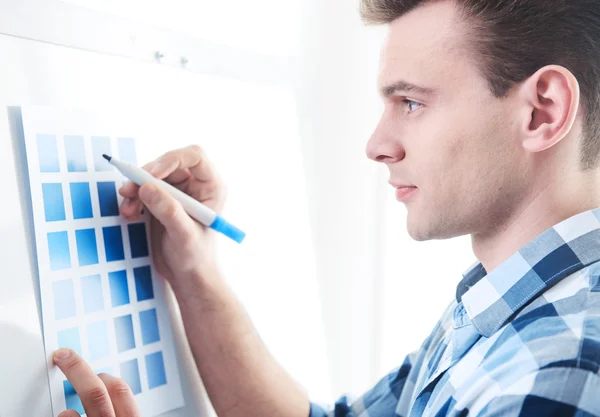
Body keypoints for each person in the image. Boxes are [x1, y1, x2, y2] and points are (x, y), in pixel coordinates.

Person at [52, 0, 600, 416]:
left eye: (410, 102)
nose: (377, 145)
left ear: (542, 112)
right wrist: (194, 271)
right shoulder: (504, 306)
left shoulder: (555, 371)